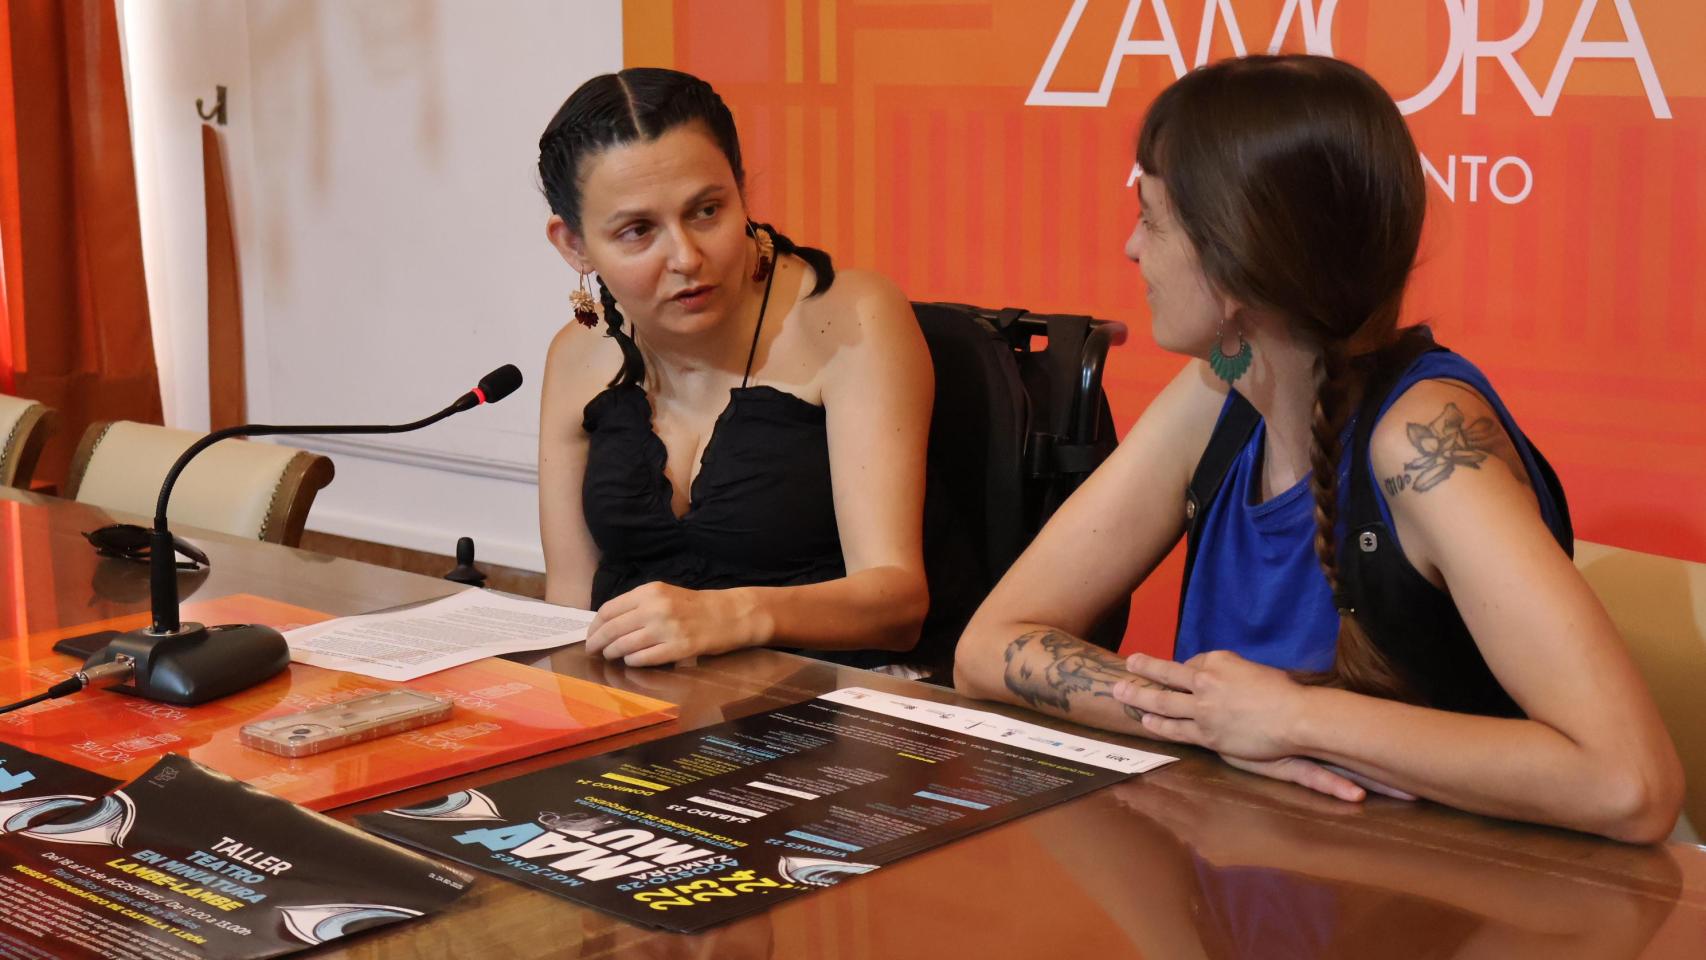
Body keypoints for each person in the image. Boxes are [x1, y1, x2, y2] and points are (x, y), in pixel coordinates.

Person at [953, 55, 1683, 843]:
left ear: (1233, 260)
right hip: (1255, 878)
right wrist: (1208, 720)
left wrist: (1295, 719)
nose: (1132, 248)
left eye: (1153, 218)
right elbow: (988, 647)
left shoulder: (1422, 442)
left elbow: (1628, 783)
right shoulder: (1216, 393)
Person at [535, 68, 932, 669]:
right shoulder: (576, 357)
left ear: (741, 191)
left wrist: (736, 615)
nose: (687, 257)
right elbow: (570, 609)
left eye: (707, 211)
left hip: (829, 710)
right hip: (643, 712)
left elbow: (898, 605)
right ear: (575, 246)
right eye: (639, 231)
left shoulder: (850, 317)